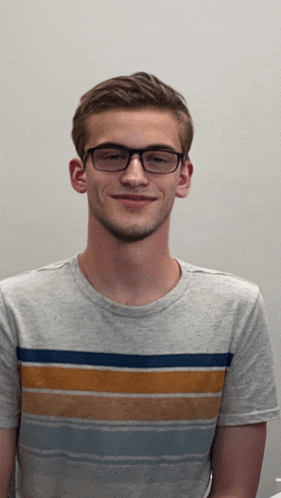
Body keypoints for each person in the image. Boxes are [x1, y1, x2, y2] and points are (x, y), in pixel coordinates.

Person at [0, 72, 279, 498]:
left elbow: (235, 493)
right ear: (80, 174)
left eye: (158, 157)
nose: (134, 175)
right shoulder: (13, 308)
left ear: (182, 177)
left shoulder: (235, 310)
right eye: (112, 155)